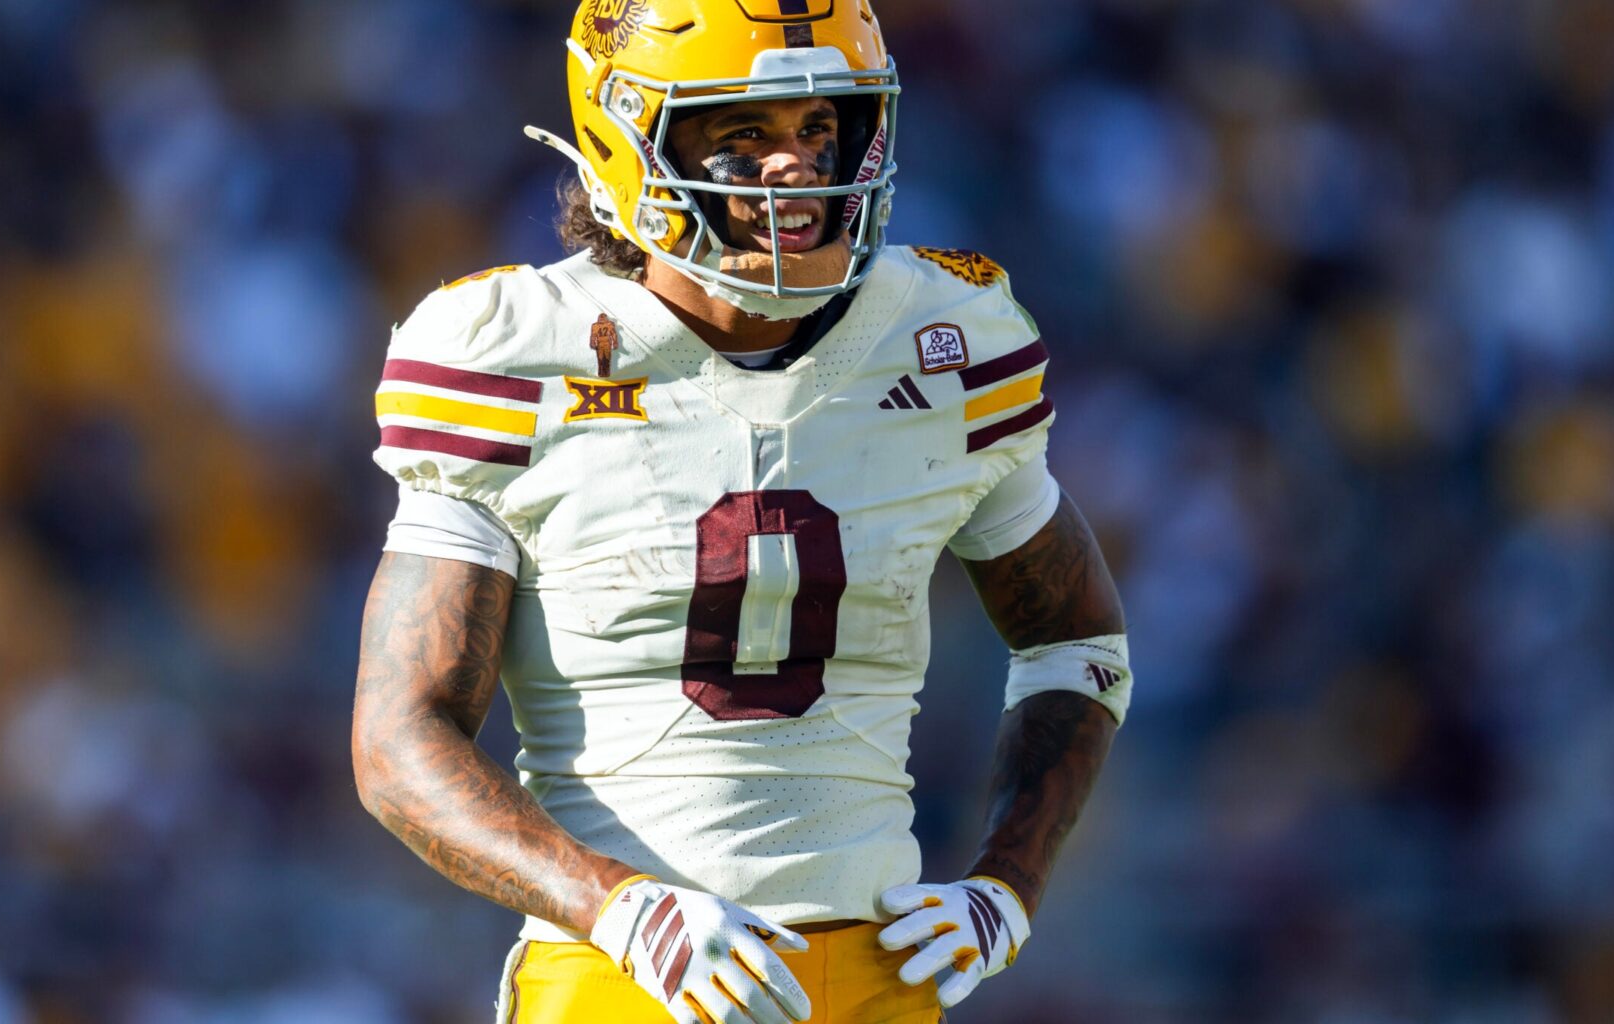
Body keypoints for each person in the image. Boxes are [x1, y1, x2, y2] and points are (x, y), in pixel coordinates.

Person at [350, 1, 1132, 1021]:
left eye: (820, 126)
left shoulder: (946, 340)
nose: (796, 165)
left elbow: (1077, 642)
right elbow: (398, 742)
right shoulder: (513, 353)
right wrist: (616, 906)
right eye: (745, 131)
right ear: (630, 140)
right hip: (626, 978)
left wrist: (1007, 886)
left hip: (880, 980)